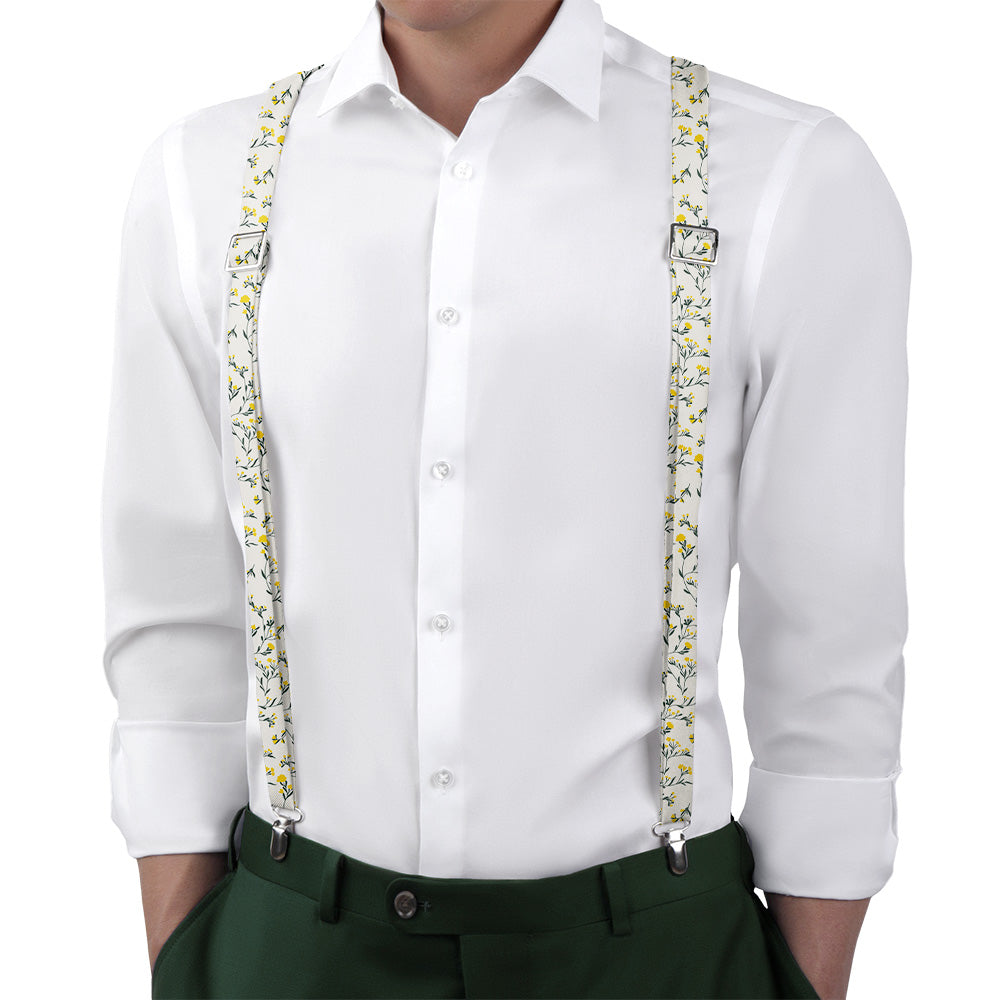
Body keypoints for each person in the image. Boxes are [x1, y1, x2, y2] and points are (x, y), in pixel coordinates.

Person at [100, 0, 909, 997]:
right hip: (290, 946)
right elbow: (174, 623)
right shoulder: (203, 179)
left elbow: (830, 641)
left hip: (656, 955)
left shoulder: (788, 177)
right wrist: (188, 963)